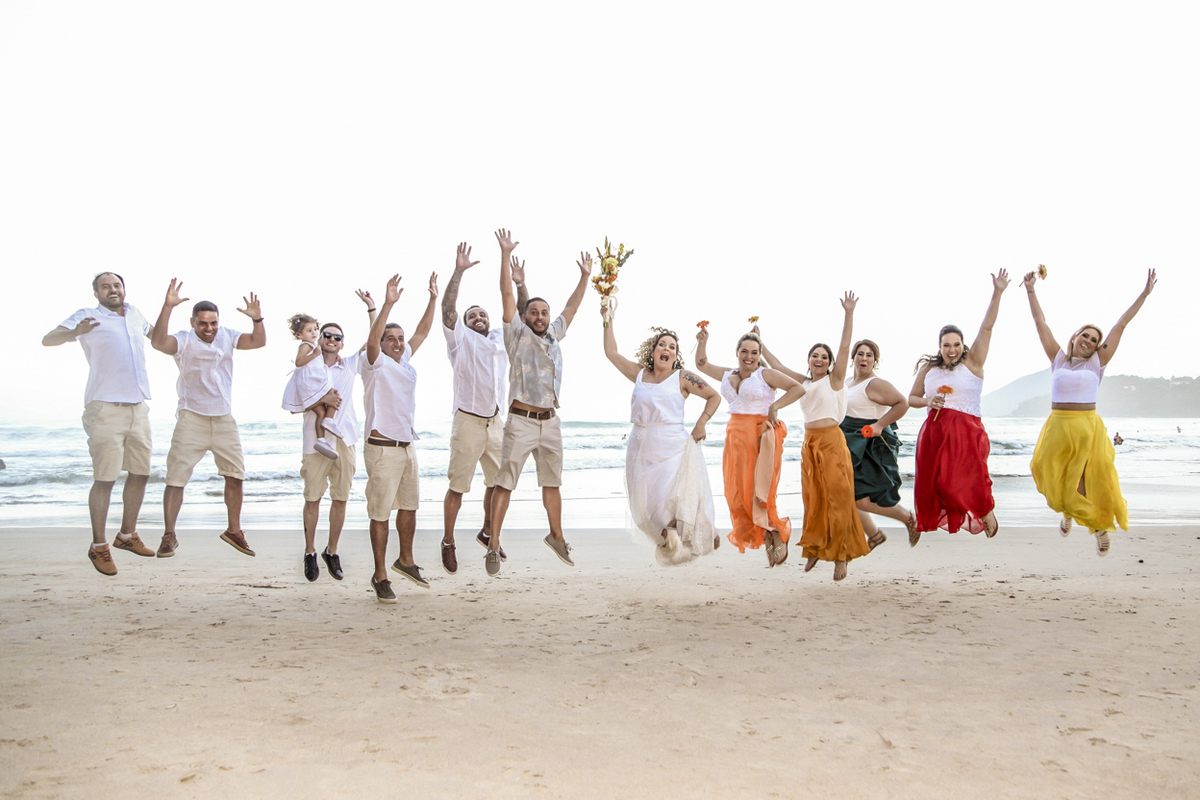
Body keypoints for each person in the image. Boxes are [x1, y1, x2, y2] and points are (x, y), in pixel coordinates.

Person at [1022, 268, 1156, 556]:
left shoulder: (1098, 362)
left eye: (1095, 339)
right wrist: (1030, 289)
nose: (1090, 341)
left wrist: (1144, 294)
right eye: (1086, 335)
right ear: (1075, 337)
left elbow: (1121, 325)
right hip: (1057, 425)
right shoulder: (1058, 358)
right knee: (1043, 470)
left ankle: (1098, 528)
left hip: (1086, 426)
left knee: (1083, 479)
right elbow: (1039, 322)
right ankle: (1069, 511)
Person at [484, 246, 593, 577]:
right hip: (521, 420)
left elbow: (572, 308)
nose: (541, 317)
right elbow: (505, 292)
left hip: (551, 421)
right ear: (525, 316)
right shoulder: (516, 335)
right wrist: (505, 257)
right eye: (535, 312)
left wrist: (585, 276)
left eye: (544, 312)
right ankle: (492, 543)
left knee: (552, 482)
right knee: (506, 482)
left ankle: (556, 536)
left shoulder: (555, 335)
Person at [43, 272, 157, 575]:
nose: (112, 290)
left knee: (142, 472)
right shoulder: (87, 316)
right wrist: (73, 332)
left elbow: (159, 339)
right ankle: (99, 547)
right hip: (105, 407)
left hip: (138, 405)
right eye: (105, 286)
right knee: (105, 479)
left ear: (124, 289)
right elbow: (48, 339)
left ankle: (127, 536)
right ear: (96, 293)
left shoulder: (135, 314)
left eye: (116, 285)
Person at [757, 294, 871, 582]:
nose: (819, 359)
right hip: (809, 444)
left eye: (824, 356)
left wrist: (849, 313)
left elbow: (846, 347)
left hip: (832, 442)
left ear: (830, 363)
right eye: (815, 355)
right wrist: (760, 343)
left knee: (838, 499)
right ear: (809, 360)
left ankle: (842, 556)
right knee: (814, 500)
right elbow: (777, 365)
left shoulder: (834, 380)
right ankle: (816, 549)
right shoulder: (804, 382)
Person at [150, 279, 267, 558]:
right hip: (192, 418)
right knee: (176, 479)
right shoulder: (183, 339)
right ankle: (169, 535)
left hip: (223, 418)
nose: (209, 328)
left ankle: (234, 530)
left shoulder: (226, 335)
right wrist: (167, 306)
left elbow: (258, 341)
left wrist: (257, 319)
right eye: (203, 323)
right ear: (193, 322)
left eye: (213, 323)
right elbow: (158, 343)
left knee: (235, 475)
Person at [602, 309, 722, 565]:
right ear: (653, 351)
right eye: (662, 345)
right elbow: (611, 353)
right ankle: (673, 540)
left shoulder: (682, 377)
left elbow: (714, 396)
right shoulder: (639, 374)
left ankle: (693, 535)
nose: (666, 349)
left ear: (676, 355)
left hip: (672, 447)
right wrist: (608, 318)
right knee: (643, 510)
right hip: (640, 446)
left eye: (672, 347)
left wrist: (701, 422)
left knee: (672, 501)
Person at [908, 271, 1010, 538]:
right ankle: (972, 512)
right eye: (946, 345)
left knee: (958, 483)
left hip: (966, 431)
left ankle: (985, 510)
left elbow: (986, 328)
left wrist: (997, 292)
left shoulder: (972, 364)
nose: (951, 349)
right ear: (939, 347)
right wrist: (928, 400)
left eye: (956, 344)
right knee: (938, 484)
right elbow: (912, 398)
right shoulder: (929, 369)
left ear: (963, 345)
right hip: (934, 433)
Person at [695, 327, 803, 567]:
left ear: (759, 353)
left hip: (759, 436)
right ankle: (767, 535)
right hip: (735, 437)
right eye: (744, 351)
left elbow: (798, 388)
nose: (749, 356)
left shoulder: (766, 375)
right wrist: (703, 341)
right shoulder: (728, 373)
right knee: (736, 494)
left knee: (758, 491)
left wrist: (775, 407)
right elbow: (701, 364)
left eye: (754, 352)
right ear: (737, 352)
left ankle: (775, 532)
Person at [362, 273, 438, 603]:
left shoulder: (404, 360)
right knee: (381, 514)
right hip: (382, 449)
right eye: (390, 337)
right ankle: (380, 575)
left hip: (407, 447)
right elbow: (371, 340)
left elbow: (422, 332)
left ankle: (405, 560)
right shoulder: (374, 362)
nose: (396, 342)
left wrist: (433, 299)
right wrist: (388, 303)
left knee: (410, 508)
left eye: (399, 338)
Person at [439, 236, 510, 575]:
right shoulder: (459, 340)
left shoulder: (498, 340)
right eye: (473, 315)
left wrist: (507, 260)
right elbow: (448, 309)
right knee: (458, 487)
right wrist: (458, 272)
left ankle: (487, 532)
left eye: (482, 314)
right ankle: (448, 541)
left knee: (498, 484)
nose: (478, 317)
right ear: (465, 323)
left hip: (495, 422)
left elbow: (517, 312)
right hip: (467, 422)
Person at [298, 289, 377, 582]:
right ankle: (309, 552)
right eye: (327, 335)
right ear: (319, 340)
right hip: (314, 441)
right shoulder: (308, 366)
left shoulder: (350, 365)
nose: (331, 340)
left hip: (345, 439)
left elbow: (374, 338)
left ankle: (332, 551)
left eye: (337, 337)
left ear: (342, 343)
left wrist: (372, 307)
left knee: (341, 498)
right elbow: (294, 402)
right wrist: (321, 403)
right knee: (312, 499)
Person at [839, 339, 918, 547]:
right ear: (853, 357)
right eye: (860, 354)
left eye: (869, 355)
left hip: (868, 446)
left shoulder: (875, 383)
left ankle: (907, 518)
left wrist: (880, 425)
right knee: (850, 496)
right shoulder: (848, 381)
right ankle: (875, 534)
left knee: (860, 499)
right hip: (850, 442)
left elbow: (903, 403)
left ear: (875, 360)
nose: (864, 358)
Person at [282, 313, 339, 460]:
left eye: (315, 329)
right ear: (299, 334)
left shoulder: (314, 346)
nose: (314, 333)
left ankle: (321, 440)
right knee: (332, 393)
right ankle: (329, 421)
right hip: (309, 383)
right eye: (309, 330)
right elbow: (299, 362)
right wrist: (315, 354)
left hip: (312, 381)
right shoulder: (306, 346)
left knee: (320, 412)